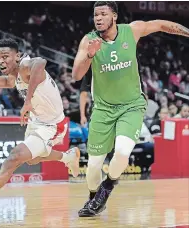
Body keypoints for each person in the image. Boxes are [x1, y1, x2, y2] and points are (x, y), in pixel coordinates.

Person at [72, 1, 189, 217]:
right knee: (93, 167)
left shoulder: (131, 30)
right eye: (95, 14)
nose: (98, 18)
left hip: (132, 105)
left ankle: (106, 188)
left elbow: (161, 24)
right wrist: (89, 55)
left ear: (114, 16)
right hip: (103, 109)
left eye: (103, 14)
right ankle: (94, 197)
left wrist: (186, 32)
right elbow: (76, 76)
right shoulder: (89, 40)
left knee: (123, 151)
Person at [0, 38, 80, 224]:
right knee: (32, 160)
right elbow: (4, 81)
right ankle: (67, 157)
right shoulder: (15, 75)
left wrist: (27, 101)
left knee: (14, 157)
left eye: (5, 57)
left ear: (17, 56)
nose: (1, 61)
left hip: (52, 125)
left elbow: (41, 62)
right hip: (36, 120)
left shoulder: (26, 65)